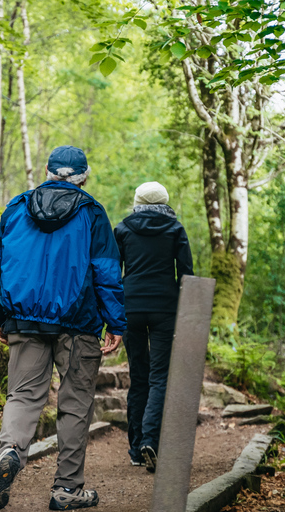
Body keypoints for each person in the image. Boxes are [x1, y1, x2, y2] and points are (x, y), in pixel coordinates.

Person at [0, 145, 126, 510]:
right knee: (75, 402)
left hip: (25, 318)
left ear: (47, 170)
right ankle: (67, 489)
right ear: (84, 176)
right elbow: (107, 272)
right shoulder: (92, 213)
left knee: (23, 395)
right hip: (78, 324)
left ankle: (10, 451)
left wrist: (0, 314)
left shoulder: (18, 207)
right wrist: (116, 322)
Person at [113, 181, 193, 473]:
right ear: (165, 202)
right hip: (165, 309)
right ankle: (151, 441)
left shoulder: (122, 229)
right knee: (160, 377)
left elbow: (112, 273)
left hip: (130, 307)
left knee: (139, 376)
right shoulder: (175, 230)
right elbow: (186, 274)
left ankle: (135, 450)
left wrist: (111, 316)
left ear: (137, 201)